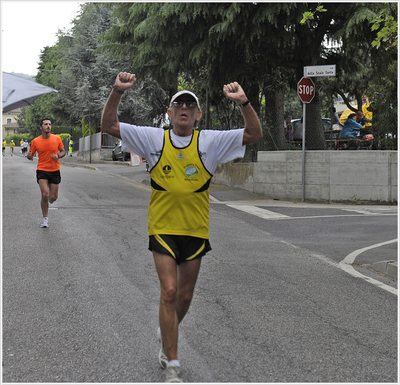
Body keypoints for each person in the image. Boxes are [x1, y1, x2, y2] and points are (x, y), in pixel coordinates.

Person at [101, 72, 262, 383]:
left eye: (190, 105)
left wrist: (244, 102)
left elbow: (253, 134)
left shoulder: (211, 141)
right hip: (162, 227)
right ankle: (172, 364)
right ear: (170, 113)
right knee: (169, 292)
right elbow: (109, 126)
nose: (184, 108)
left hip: (196, 230)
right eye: (179, 105)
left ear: (198, 114)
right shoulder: (153, 138)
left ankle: (166, 334)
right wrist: (117, 92)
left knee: (184, 298)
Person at [27, 118, 66, 228]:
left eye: (49, 124)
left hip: (54, 170)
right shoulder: (36, 141)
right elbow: (31, 154)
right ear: (41, 127)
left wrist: (58, 156)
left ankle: (49, 200)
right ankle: (45, 219)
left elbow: (63, 151)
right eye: (45, 124)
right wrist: (29, 156)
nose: (48, 126)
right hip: (42, 170)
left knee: (53, 197)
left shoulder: (57, 139)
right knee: (45, 193)